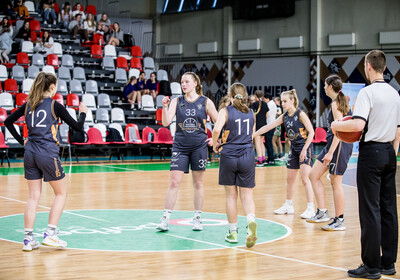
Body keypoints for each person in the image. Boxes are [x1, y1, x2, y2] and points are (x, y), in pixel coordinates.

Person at [331, 50, 400, 279]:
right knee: (389, 209)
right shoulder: (395, 93)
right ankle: (388, 263)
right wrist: (391, 153)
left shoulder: (367, 92)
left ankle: (371, 266)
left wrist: (336, 125)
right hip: (390, 152)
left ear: (368, 66)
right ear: (384, 66)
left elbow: (358, 124)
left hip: (371, 153)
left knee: (370, 209)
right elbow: (398, 130)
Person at [4, 72, 88, 251]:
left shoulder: (29, 105)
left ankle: (28, 239)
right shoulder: (54, 105)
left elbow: (8, 122)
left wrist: (22, 141)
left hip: (30, 153)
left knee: (33, 197)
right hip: (47, 153)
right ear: (52, 87)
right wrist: (83, 113)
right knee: (61, 194)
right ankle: (50, 234)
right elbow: (78, 128)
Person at [156, 72, 218, 232]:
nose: (184, 85)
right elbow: (166, 121)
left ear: (196, 83)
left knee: (198, 183)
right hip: (180, 146)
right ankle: (165, 219)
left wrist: (216, 140)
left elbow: (220, 122)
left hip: (199, 146)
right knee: (174, 182)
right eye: (182, 82)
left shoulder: (205, 102)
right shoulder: (177, 101)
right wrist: (164, 107)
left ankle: (197, 219)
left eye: (187, 82)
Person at [253, 89, 315, 219]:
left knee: (305, 179)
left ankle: (311, 208)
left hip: (305, 148)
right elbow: (268, 127)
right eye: (282, 101)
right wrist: (253, 134)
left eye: (285, 101)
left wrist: (304, 149)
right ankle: (288, 205)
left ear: (292, 101)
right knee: (290, 180)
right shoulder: (284, 116)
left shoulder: (301, 114)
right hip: (294, 149)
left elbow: (311, 132)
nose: (283, 104)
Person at [212, 83, 257, 248]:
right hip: (247, 155)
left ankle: (233, 232)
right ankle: (251, 223)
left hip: (229, 155)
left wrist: (215, 142)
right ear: (244, 97)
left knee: (231, 196)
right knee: (247, 196)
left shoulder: (225, 111)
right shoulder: (251, 112)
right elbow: (251, 134)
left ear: (229, 96)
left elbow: (217, 129)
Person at [306, 75, 353, 231]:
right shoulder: (337, 102)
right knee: (313, 175)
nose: (324, 87)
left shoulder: (336, 104)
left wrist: (331, 153)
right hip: (332, 144)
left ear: (331, 87)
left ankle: (339, 220)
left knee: (335, 182)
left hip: (339, 146)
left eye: (325, 85)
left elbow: (339, 130)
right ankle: (322, 212)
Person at [250, 90, 269, 167]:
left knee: (257, 143)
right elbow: (267, 116)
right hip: (264, 125)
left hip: (257, 125)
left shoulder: (254, 104)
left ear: (255, 96)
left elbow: (252, 116)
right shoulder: (265, 104)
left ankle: (260, 160)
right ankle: (263, 159)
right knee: (261, 143)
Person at [264, 93, 277, 165]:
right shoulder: (273, 104)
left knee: (268, 142)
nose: (264, 100)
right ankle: (270, 158)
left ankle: (271, 159)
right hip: (271, 124)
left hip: (270, 125)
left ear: (268, 98)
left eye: (264, 99)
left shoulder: (269, 104)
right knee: (268, 142)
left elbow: (267, 115)